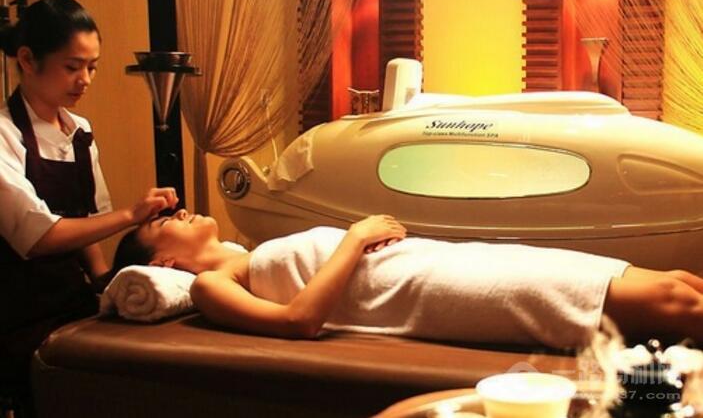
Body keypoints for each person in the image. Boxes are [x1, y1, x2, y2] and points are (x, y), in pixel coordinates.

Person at [115, 209, 703, 349]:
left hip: (433, 261)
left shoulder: (248, 251)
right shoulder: (210, 285)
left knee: (676, 281)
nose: (180, 211)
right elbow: (300, 321)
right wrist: (354, 238)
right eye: (164, 223)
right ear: (162, 265)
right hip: (424, 291)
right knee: (671, 302)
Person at [0, 0, 177, 417]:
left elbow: (89, 222)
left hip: (72, 299)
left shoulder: (79, 131)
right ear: (28, 60)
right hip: (20, 312)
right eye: (72, 67)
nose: (85, 80)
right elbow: (39, 237)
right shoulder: (5, 135)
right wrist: (131, 216)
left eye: (92, 67)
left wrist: (104, 286)